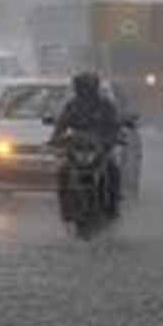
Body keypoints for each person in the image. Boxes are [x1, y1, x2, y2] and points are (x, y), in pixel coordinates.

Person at [52, 71, 122, 218]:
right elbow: (62, 124)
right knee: (63, 171)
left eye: (87, 87)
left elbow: (114, 125)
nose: (85, 90)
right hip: (77, 149)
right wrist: (56, 138)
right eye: (82, 87)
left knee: (113, 169)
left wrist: (113, 138)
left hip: (99, 148)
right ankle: (66, 208)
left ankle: (113, 205)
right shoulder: (72, 106)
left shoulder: (105, 105)